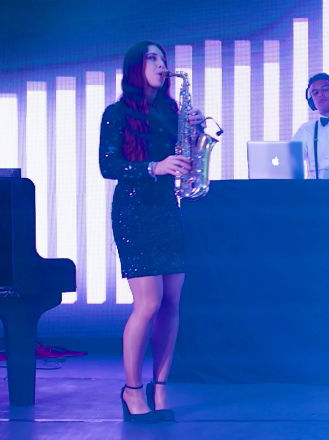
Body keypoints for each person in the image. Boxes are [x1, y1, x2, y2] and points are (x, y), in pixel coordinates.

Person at [99, 41, 205, 422]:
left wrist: (194, 138)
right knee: (148, 305)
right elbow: (108, 166)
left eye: (163, 59)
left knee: (172, 303)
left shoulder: (172, 112)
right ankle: (132, 391)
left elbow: (185, 161)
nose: (162, 65)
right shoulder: (116, 113)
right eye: (153, 58)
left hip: (166, 210)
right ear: (135, 67)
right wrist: (154, 167)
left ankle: (160, 388)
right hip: (134, 211)